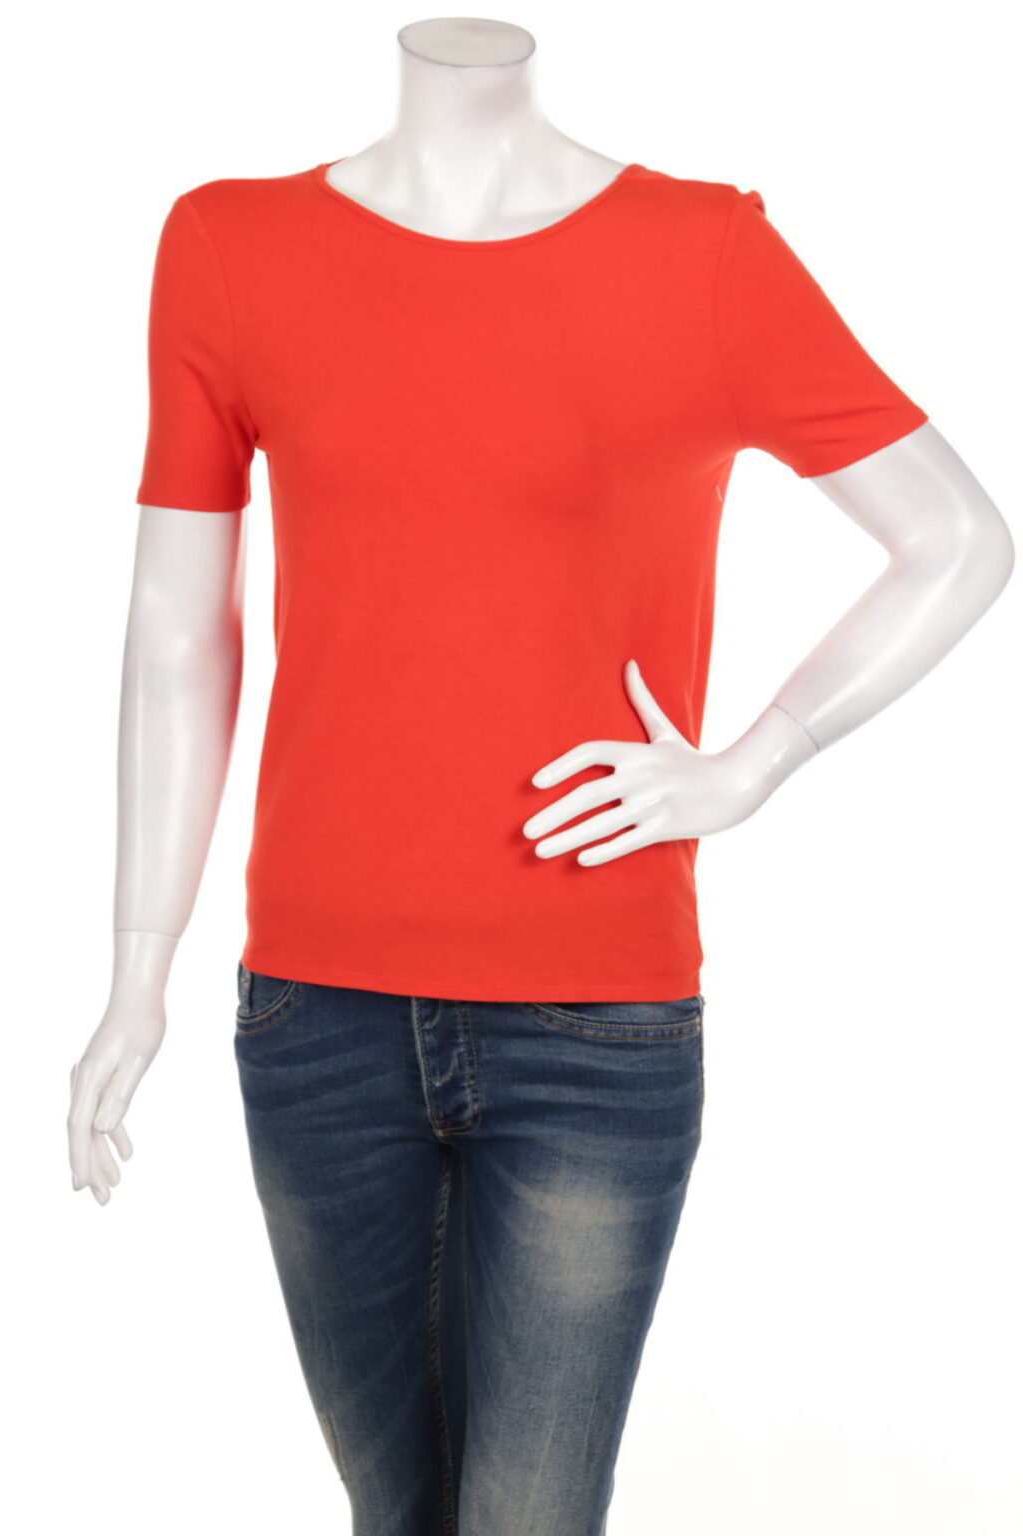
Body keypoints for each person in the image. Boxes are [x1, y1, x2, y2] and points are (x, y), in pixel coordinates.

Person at [67, 16, 1014, 1536]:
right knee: (396, 1514)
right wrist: (138, 971)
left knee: (529, 1521)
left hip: (595, 1022)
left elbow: (958, 539)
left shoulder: (703, 253)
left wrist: (756, 763)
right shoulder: (231, 246)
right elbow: (178, 634)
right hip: (317, 1019)